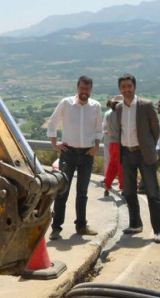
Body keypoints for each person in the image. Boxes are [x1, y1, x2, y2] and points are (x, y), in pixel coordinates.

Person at [110, 73, 160, 244]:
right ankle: (135, 224)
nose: (126, 90)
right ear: (120, 89)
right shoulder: (119, 108)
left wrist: (148, 147)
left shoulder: (146, 105)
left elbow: (156, 131)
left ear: (135, 87)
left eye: (129, 86)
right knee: (128, 191)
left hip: (144, 154)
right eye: (123, 87)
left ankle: (159, 230)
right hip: (127, 154)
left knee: (153, 193)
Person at [47, 75, 103, 241]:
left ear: (91, 90)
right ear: (77, 88)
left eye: (87, 89)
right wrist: (55, 144)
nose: (84, 91)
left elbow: (99, 129)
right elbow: (53, 122)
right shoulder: (66, 103)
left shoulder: (96, 106)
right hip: (68, 154)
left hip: (87, 155)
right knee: (62, 191)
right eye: (82, 88)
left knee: (83, 193)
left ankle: (81, 226)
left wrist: (96, 145)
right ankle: (56, 228)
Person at [103, 96, 123, 197]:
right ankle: (123, 187)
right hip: (120, 144)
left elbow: (105, 129)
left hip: (111, 143)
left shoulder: (109, 114)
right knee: (121, 167)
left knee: (112, 166)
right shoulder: (121, 115)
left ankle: (107, 186)